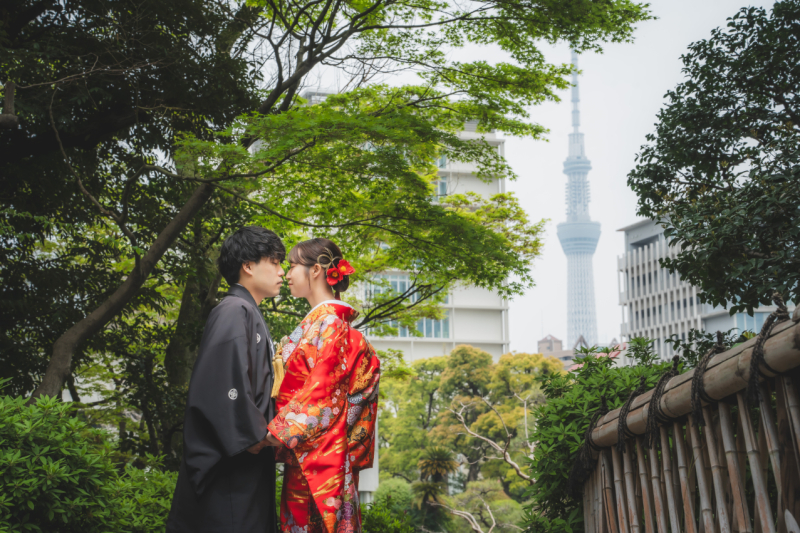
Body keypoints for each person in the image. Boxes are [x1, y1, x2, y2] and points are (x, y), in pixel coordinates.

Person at [167, 226, 285, 533]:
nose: (282, 271)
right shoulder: (234, 310)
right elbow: (223, 384)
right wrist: (255, 435)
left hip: (245, 455)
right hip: (233, 458)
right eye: (274, 262)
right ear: (248, 266)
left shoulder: (246, 310)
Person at [268, 238, 380, 533]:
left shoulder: (329, 325)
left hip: (317, 458)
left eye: (292, 266)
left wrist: (272, 436)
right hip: (316, 452)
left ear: (316, 270)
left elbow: (322, 395)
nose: (287, 274)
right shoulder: (326, 325)